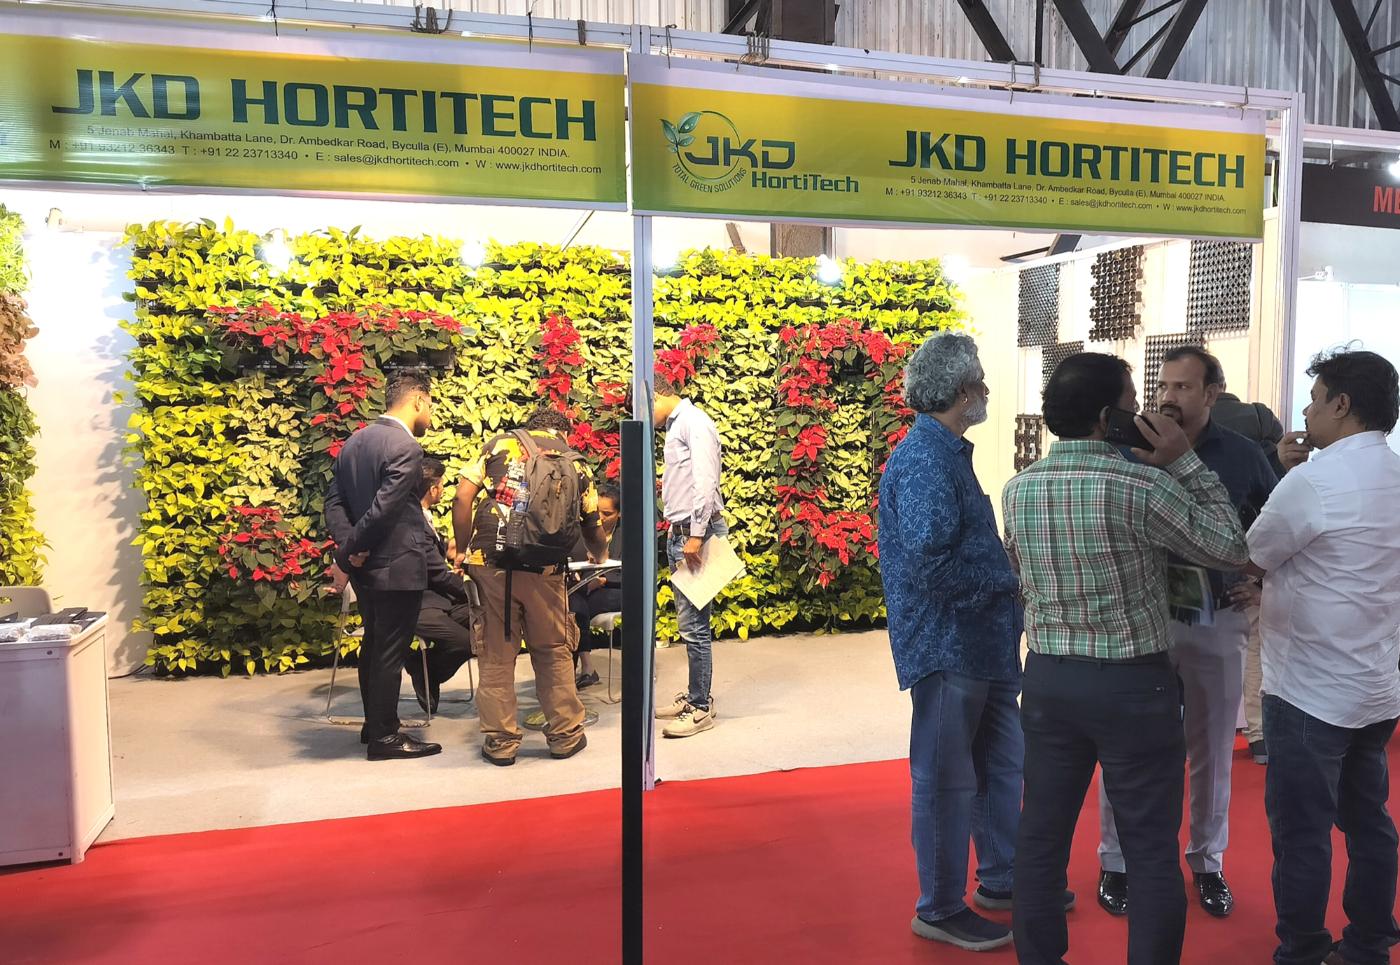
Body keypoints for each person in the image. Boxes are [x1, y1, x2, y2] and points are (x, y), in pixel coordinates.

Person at [1003, 352, 1248, 965]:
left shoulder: (1019, 489)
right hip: (1133, 685)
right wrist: (1185, 462)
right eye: (1134, 402)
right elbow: (1229, 545)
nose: (1145, 410)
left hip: (1050, 679)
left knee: (1041, 837)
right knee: (1149, 846)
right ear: (1107, 417)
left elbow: (1020, 572)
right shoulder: (1142, 486)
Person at [1096, 346, 1278, 921]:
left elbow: (1276, 525)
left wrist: (1262, 580)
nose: (1168, 396)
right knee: (1128, 747)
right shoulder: (1127, 447)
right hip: (1139, 619)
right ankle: (1115, 859)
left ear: (1212, 393)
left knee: (1212, 749)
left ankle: (1207, 861)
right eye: (1163, 385)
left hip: (1214, 617)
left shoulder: (1243, 454)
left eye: (1183, 386)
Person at [878, 333, 1033, 953]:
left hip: (980, 643)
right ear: (963, 391)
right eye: (981, 382)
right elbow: (928, 565)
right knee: (946, 778)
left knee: (998, 765)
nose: (987, 390)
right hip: (948, 646)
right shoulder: (925, 460)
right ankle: (939, 906)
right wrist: (1006, 577)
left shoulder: (940, 454)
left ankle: (999, 877)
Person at [1246, 349, 1400, 965]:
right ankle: (1368, 944)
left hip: (1308, 688)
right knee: (1369, 822)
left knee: (1302, 833)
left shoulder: (1312, 481)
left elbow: (1253, 553)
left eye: (1314, 399)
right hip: (1375, 684)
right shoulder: (1394, 474)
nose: (1306, 411)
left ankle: (1304, 949)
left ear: (1342, 404)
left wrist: (1283, 476)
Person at [452, 405, 606, 766]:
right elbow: (592, 522)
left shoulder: (499, 445)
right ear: (563, 433)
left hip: (491, 565)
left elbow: (462, 497)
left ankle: (501, 743)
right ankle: (565, 735)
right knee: (553, 650)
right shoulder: (575, 462)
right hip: (545, 568)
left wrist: (460, 549)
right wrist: (599, 554)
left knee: (496, 653)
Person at [323, 371, 442, 761]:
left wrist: (350, 549)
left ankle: (374, 725)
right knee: (389, 650)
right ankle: (385, 738)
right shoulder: (405, 447)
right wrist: (352, 550)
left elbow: (334, 503)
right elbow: (385, 510)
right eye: (431, 406)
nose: (431, 415)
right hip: (397, 564)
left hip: (368, 568)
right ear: (419, 400)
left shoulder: (355, 442)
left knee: (374, 646)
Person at [1212, 386, 1288, 764]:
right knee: (1257, 646)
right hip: (1249, 554)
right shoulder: (1260, 421)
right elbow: (1275, 497)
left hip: (1193, 564)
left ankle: (1193, 730)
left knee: (1186, 646)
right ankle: (1258, 736)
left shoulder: (1176, 431)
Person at [653, 368, 726, 740]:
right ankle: (696, 696)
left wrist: (696, 535)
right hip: (682, 532)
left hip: (694, 534)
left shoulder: (693, 423)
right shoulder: (678, 425)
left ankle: (700, 708)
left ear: (655, 396)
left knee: (695, 626)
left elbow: (705, 480)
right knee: (690, 624)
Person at [404, 457, 475, 715]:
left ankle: (426, 668)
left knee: (487, 619)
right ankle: (424, 669)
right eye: (442, 485)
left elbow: (433, 554)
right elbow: (437, 574)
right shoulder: (413, 521)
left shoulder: (421, 516)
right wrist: (473, 589)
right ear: (433, 489)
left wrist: (452, 547)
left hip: (440, 600)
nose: (444, 490)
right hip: (419, 605)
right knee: (469, 642)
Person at [571, 484, 622, 689]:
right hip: (585, 588)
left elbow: (634, 571)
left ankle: (576, 671)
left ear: (619, 514)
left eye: (607, 514)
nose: (600, 518)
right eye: (597, 512)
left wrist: (603, 580)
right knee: (574, 604)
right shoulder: (584, 532)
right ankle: (585, 669)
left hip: (617, 590)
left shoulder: (628, 535)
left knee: (575, 608)